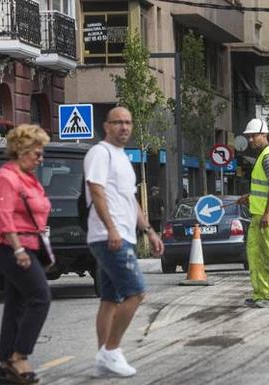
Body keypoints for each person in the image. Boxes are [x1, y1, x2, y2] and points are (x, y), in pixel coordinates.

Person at [84, 106, 164, 377]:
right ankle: (111, 350)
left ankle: (101, 359)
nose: (124, 127)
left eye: (128, 122)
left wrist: (149, 231)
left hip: (123, 235)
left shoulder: (122, 157)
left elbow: (130, 201)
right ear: (106, 126)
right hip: (110, 237)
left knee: (110, 299)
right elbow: (96, 191)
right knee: (136, 292)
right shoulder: (100, 153)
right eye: (118, 122)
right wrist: (111, 229)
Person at [0, 124, 52, 385]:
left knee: (17, 304)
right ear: (21, 151)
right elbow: (3, 218)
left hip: (29, 245)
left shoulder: (27, 177)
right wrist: (18, 249)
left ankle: (5, 364)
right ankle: (20, 355)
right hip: (10, 247)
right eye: (37, 154)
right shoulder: (6, 177)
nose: (40, 159)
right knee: (40, 297)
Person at [236, 118, 269, 308]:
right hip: (259, 214)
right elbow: (267, 187)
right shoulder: (263, 156)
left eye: (253, 136)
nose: (250, 140)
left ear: (264, 135)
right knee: (256, 255)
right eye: (249, 137)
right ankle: (261, 294)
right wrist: (250, 197)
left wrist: (267, 213)